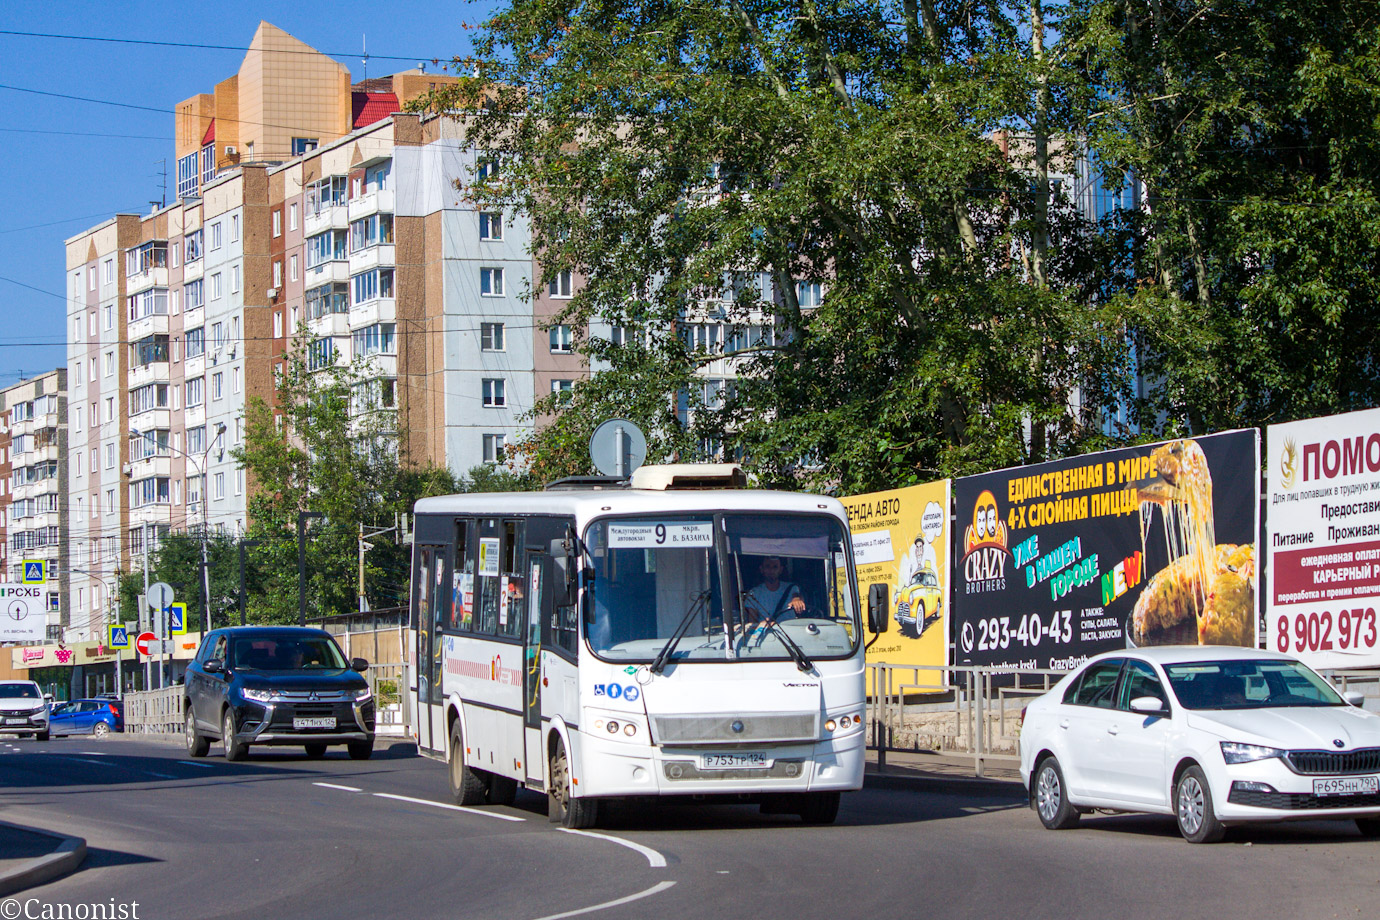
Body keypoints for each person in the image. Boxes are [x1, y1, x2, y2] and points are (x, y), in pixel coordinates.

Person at [743, 556, 805, 627]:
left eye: (775, 567)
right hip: (767, 635)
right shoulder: (754, 594)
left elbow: (797, 597)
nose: (771, 570)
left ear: (780, 570)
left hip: (790, 634)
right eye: (767, 566)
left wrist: (797, 601)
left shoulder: (791, 588)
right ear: (762, 569)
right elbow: (752, 624)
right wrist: (762, 624)